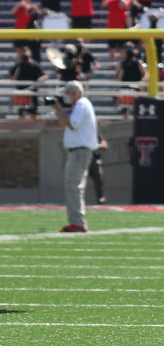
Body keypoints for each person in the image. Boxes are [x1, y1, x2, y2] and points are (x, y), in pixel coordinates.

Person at [54, 81, 98, 233]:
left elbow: (72, 124)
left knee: (72, 187)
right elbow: (64, 124)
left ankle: (77, 223)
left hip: (79, 151)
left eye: (67, 93)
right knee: (75, 187)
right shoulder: (81, 105)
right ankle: (78, 221)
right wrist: (58, 110)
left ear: (74, 93)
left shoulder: (81, 104)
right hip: (80, 151)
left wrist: (59, 108)